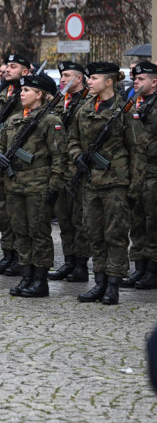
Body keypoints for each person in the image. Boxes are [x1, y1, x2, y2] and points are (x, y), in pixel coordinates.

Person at [69, 62, 144, 305]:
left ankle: (113, 284)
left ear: (109, 81)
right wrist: (77, 155)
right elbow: (72, 139)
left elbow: (137, 150)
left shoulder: (125, 109)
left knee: (116, 235)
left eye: (94, 78)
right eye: (89, 78)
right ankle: (99, 282)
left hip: (116, 184)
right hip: (91, 182)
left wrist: (134, 187)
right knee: (94, 233)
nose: (89, 82)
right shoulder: (84, 108)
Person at [0, 73, 66, 297]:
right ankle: (26, 276)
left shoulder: (51, 121)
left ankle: (40, 281)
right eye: (21, 90)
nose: (21, 94)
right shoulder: (13, 120)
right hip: (14, 185)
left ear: (39, 95)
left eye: (27, 91)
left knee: (39, 233)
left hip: (38, 186)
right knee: (20, 233)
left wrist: (54, 186)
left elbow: (59, 157)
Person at [0, 54, 33, 276]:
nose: (7, 70)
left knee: (16, 214)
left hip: (17, 163)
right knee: (2, 212)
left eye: (14, 67)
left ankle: (20, 258)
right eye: (7, 67)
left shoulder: (29, 96)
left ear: (25, 71)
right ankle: (8, 254)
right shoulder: (1, 96)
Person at [50, 61, 91, 283]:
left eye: (66, 76)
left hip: (78, 169)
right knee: (64, 220)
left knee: (79, 221)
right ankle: (69, 261)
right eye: (61, 76)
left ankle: (81, 265)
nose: (62, 80)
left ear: (79, 78)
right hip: (60, 168)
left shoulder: (87, 102)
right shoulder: (60, 102)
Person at [122, 61, 157, 288]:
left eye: (141, 79)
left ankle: (153, 269)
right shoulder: (132, 103)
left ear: (154, 82)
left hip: (154, 171)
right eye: (135, 78)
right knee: (137, 221)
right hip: (135, 172)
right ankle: (140, 267)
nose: (136, 81)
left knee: (153, 222)